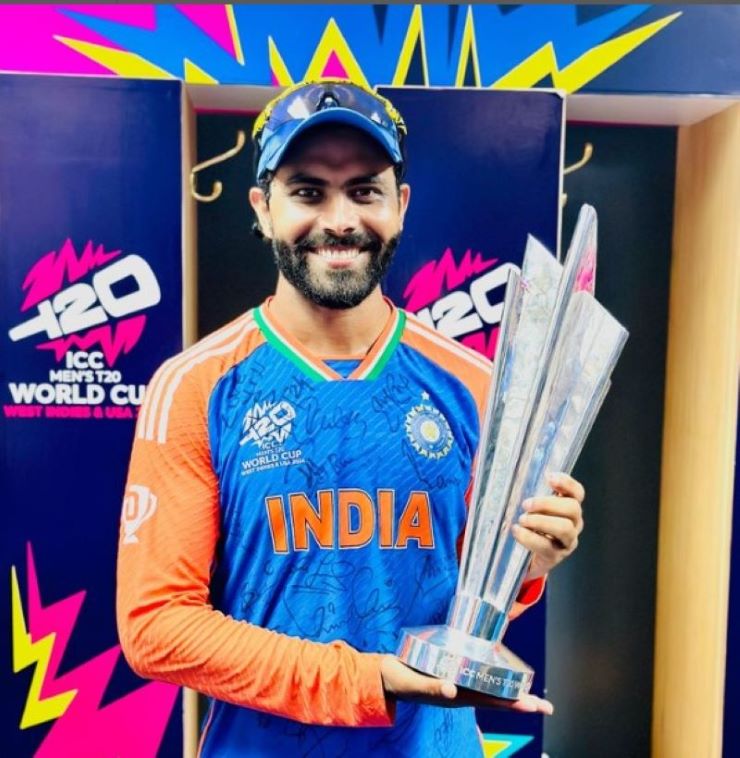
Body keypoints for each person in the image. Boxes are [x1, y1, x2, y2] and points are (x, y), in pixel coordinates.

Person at [117, 80, 585, 757]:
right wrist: (369, 681)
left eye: (365, 191)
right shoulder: (197, 386)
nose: (340, 220)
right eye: (308, 192)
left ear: (400, 206)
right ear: (263, 209)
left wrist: (528, 563)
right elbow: (156, 627)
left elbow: (472, 609)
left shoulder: (475, 385)